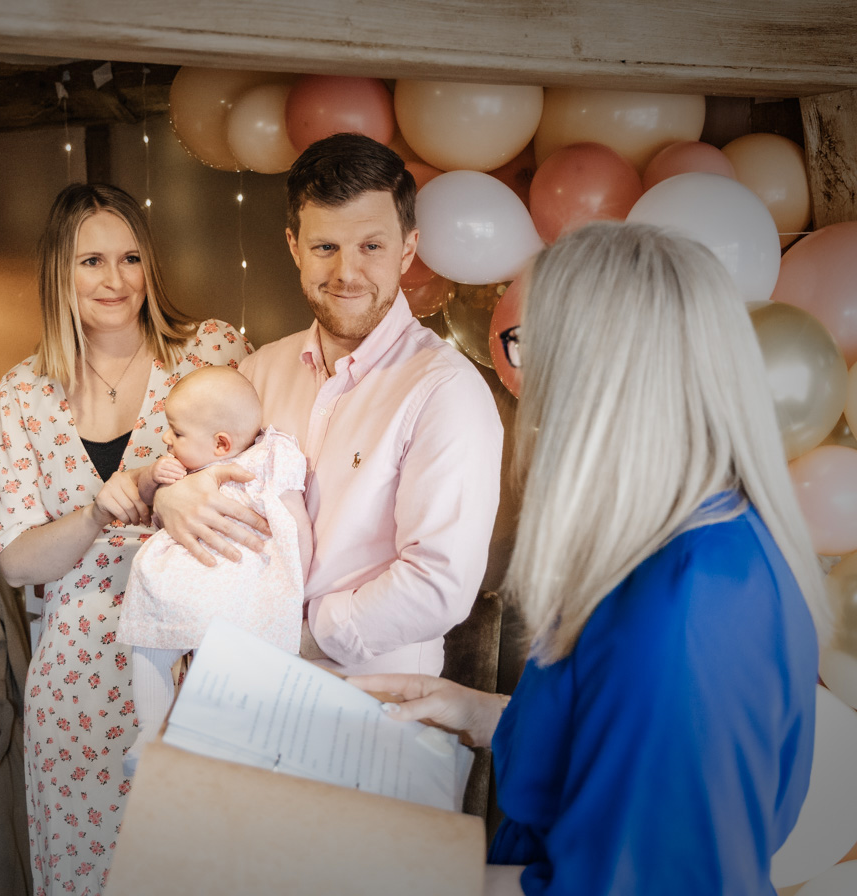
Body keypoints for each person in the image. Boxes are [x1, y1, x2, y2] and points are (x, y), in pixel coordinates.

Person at [351, 221, 828, 896]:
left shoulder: (684, 606)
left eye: (529, 343)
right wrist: (484, 713)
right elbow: (624, 750)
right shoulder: (698, 547)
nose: (523, 376)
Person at [0, 183, 252, 896]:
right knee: (91, 872)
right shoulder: (21, 396)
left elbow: (263, 481)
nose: (116, 279)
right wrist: (97, 515)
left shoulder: (211, 351)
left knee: (205, 867)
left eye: (130, 257)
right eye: (92, 260)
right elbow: (14, 561)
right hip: (77, 682)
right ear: (58, 273)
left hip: (199, 653)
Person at [154, 133, 504, 676]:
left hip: (369, 712)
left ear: (407, 248)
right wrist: (170, 500)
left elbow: (438, 584)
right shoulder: (255, 373)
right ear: (294, 246)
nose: (346, 273)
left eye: (371, 246)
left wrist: (291, 638)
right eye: (325, 248)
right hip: (231, 686)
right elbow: (195, 479)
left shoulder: (445, 391)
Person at [117, 365, 312, 775]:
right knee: (157, 648)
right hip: (202, 586)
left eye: (176, 431)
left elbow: (293, 522)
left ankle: (167, 732)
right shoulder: (190, 463)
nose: (166, 439)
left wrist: (296, 577)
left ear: (221, 443)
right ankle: (153, 731)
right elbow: (152, 502)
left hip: (228, 588)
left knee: (163, 653)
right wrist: (158, 478)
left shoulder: (266, 459)